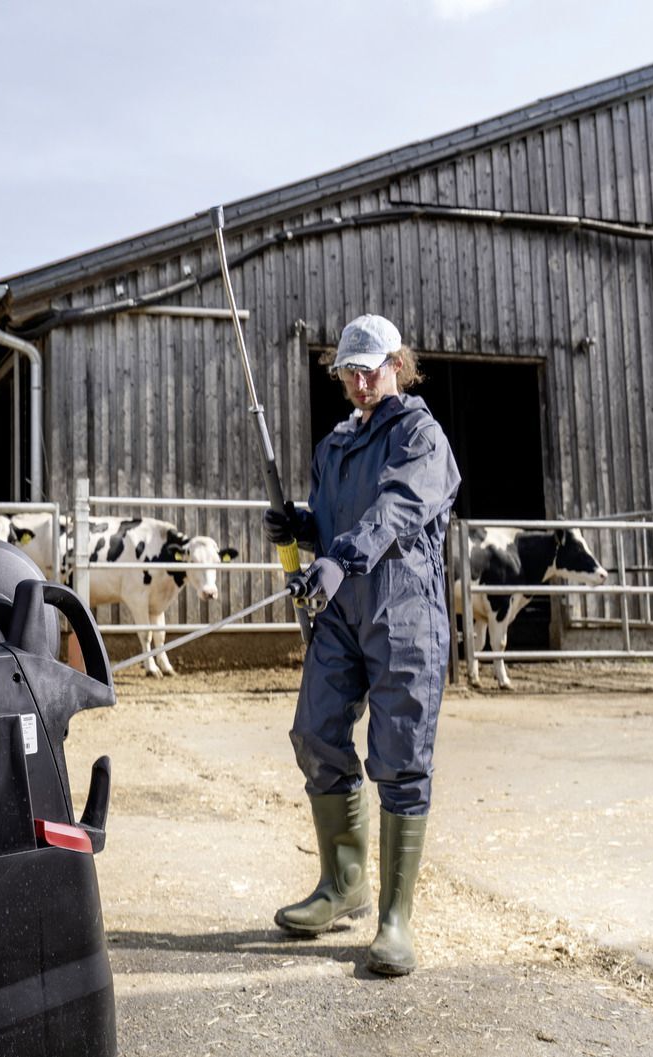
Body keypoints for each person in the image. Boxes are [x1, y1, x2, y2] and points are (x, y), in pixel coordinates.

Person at [263, 313, 460, 976]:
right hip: (342, 612)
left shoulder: (420, 436)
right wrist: (304, 526)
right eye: (348, 370)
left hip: (404, 610)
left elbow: (400, 508)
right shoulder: (335, 444)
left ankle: (395, 919)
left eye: (369, 367)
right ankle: (341, 883)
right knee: (316, 732)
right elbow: (337, 519)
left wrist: (341, 554)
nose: (357, 380)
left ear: (396, 363)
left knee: (400, 756)